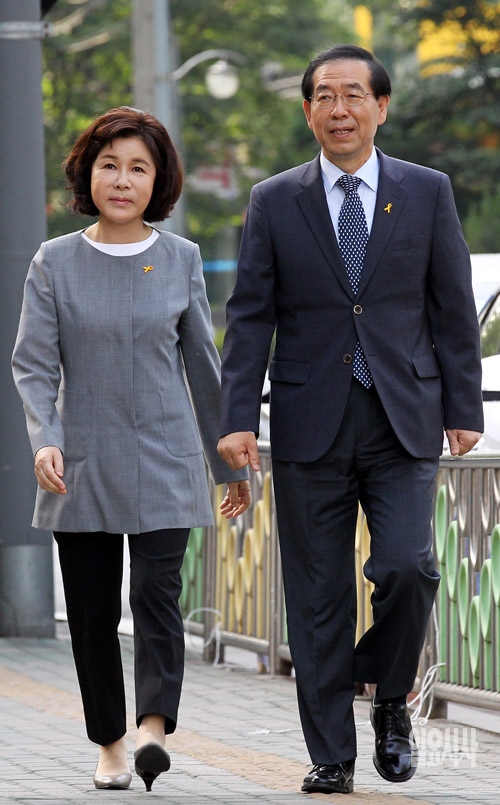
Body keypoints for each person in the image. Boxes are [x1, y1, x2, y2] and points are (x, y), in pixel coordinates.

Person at [217, 45, 483, 795]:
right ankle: (331, 754)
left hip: (404, 416)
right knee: (317, 595)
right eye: (325, 97)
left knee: (409, 566)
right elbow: (250, 316)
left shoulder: (426, 191)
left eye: (354, 95)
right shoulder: (275, 199)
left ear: (381, 107)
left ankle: (390, 696)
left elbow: (452, 307)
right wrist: (237, 418)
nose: (339, 110)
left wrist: (463, 406)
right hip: (309, 420)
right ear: (308, 111)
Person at [12, 106, 250, 792]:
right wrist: (45, 441)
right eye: (109, 165)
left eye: (138, 168)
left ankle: (152, 727)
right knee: (92, 612)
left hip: (166, 455)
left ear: (158, 181)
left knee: (155, 594)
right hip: (79, 459)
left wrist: (226, 463)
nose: (122, 180)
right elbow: (34, 364)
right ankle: (110, 744)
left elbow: (203, 365)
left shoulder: (181, 258)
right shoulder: (54, 261)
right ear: (88, 173)